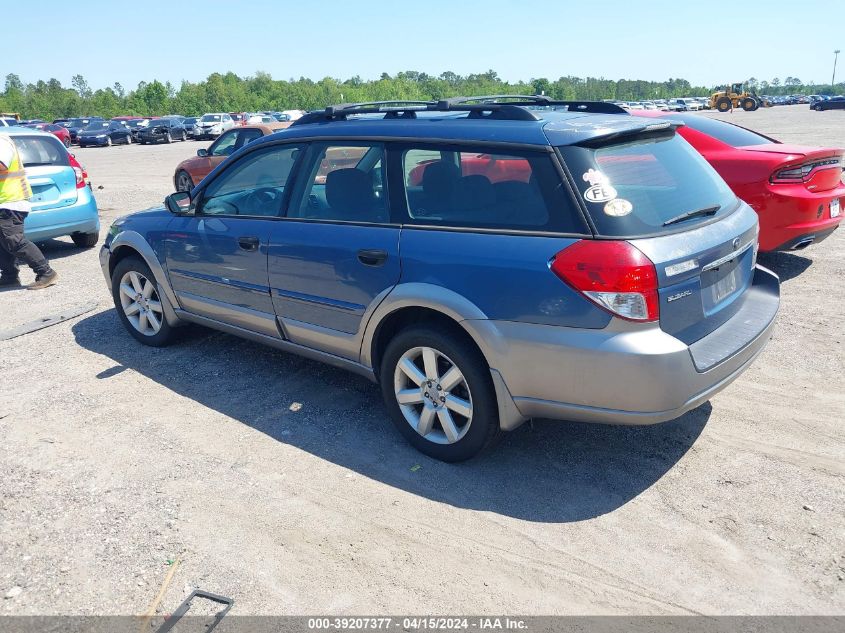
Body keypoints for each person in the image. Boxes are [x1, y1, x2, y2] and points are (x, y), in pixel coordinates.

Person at [0, 133, 58, 290]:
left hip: (11, 201)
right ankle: (9, 276)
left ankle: (46, 272)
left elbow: (2, 165)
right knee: (3, 242)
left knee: (14, 241)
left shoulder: (1, 141)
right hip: (5, 201)